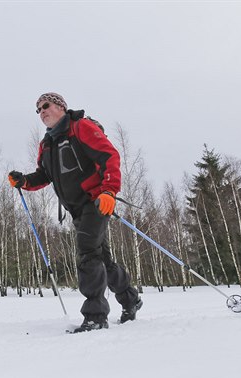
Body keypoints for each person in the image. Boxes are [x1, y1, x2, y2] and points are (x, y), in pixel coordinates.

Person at [8, 92, 142, 333]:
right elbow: (44, 176)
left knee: (87, 253)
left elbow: (109, 155)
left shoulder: (81, 127)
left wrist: (109, 191)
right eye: (37, 110)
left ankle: (96, 316)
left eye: (45, 106)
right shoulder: (46, 144)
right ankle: (130, 298)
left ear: (60, 106)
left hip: (97, 201)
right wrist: (24, 182)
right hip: (77, 209)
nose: (41, 112)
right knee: (102, 260)